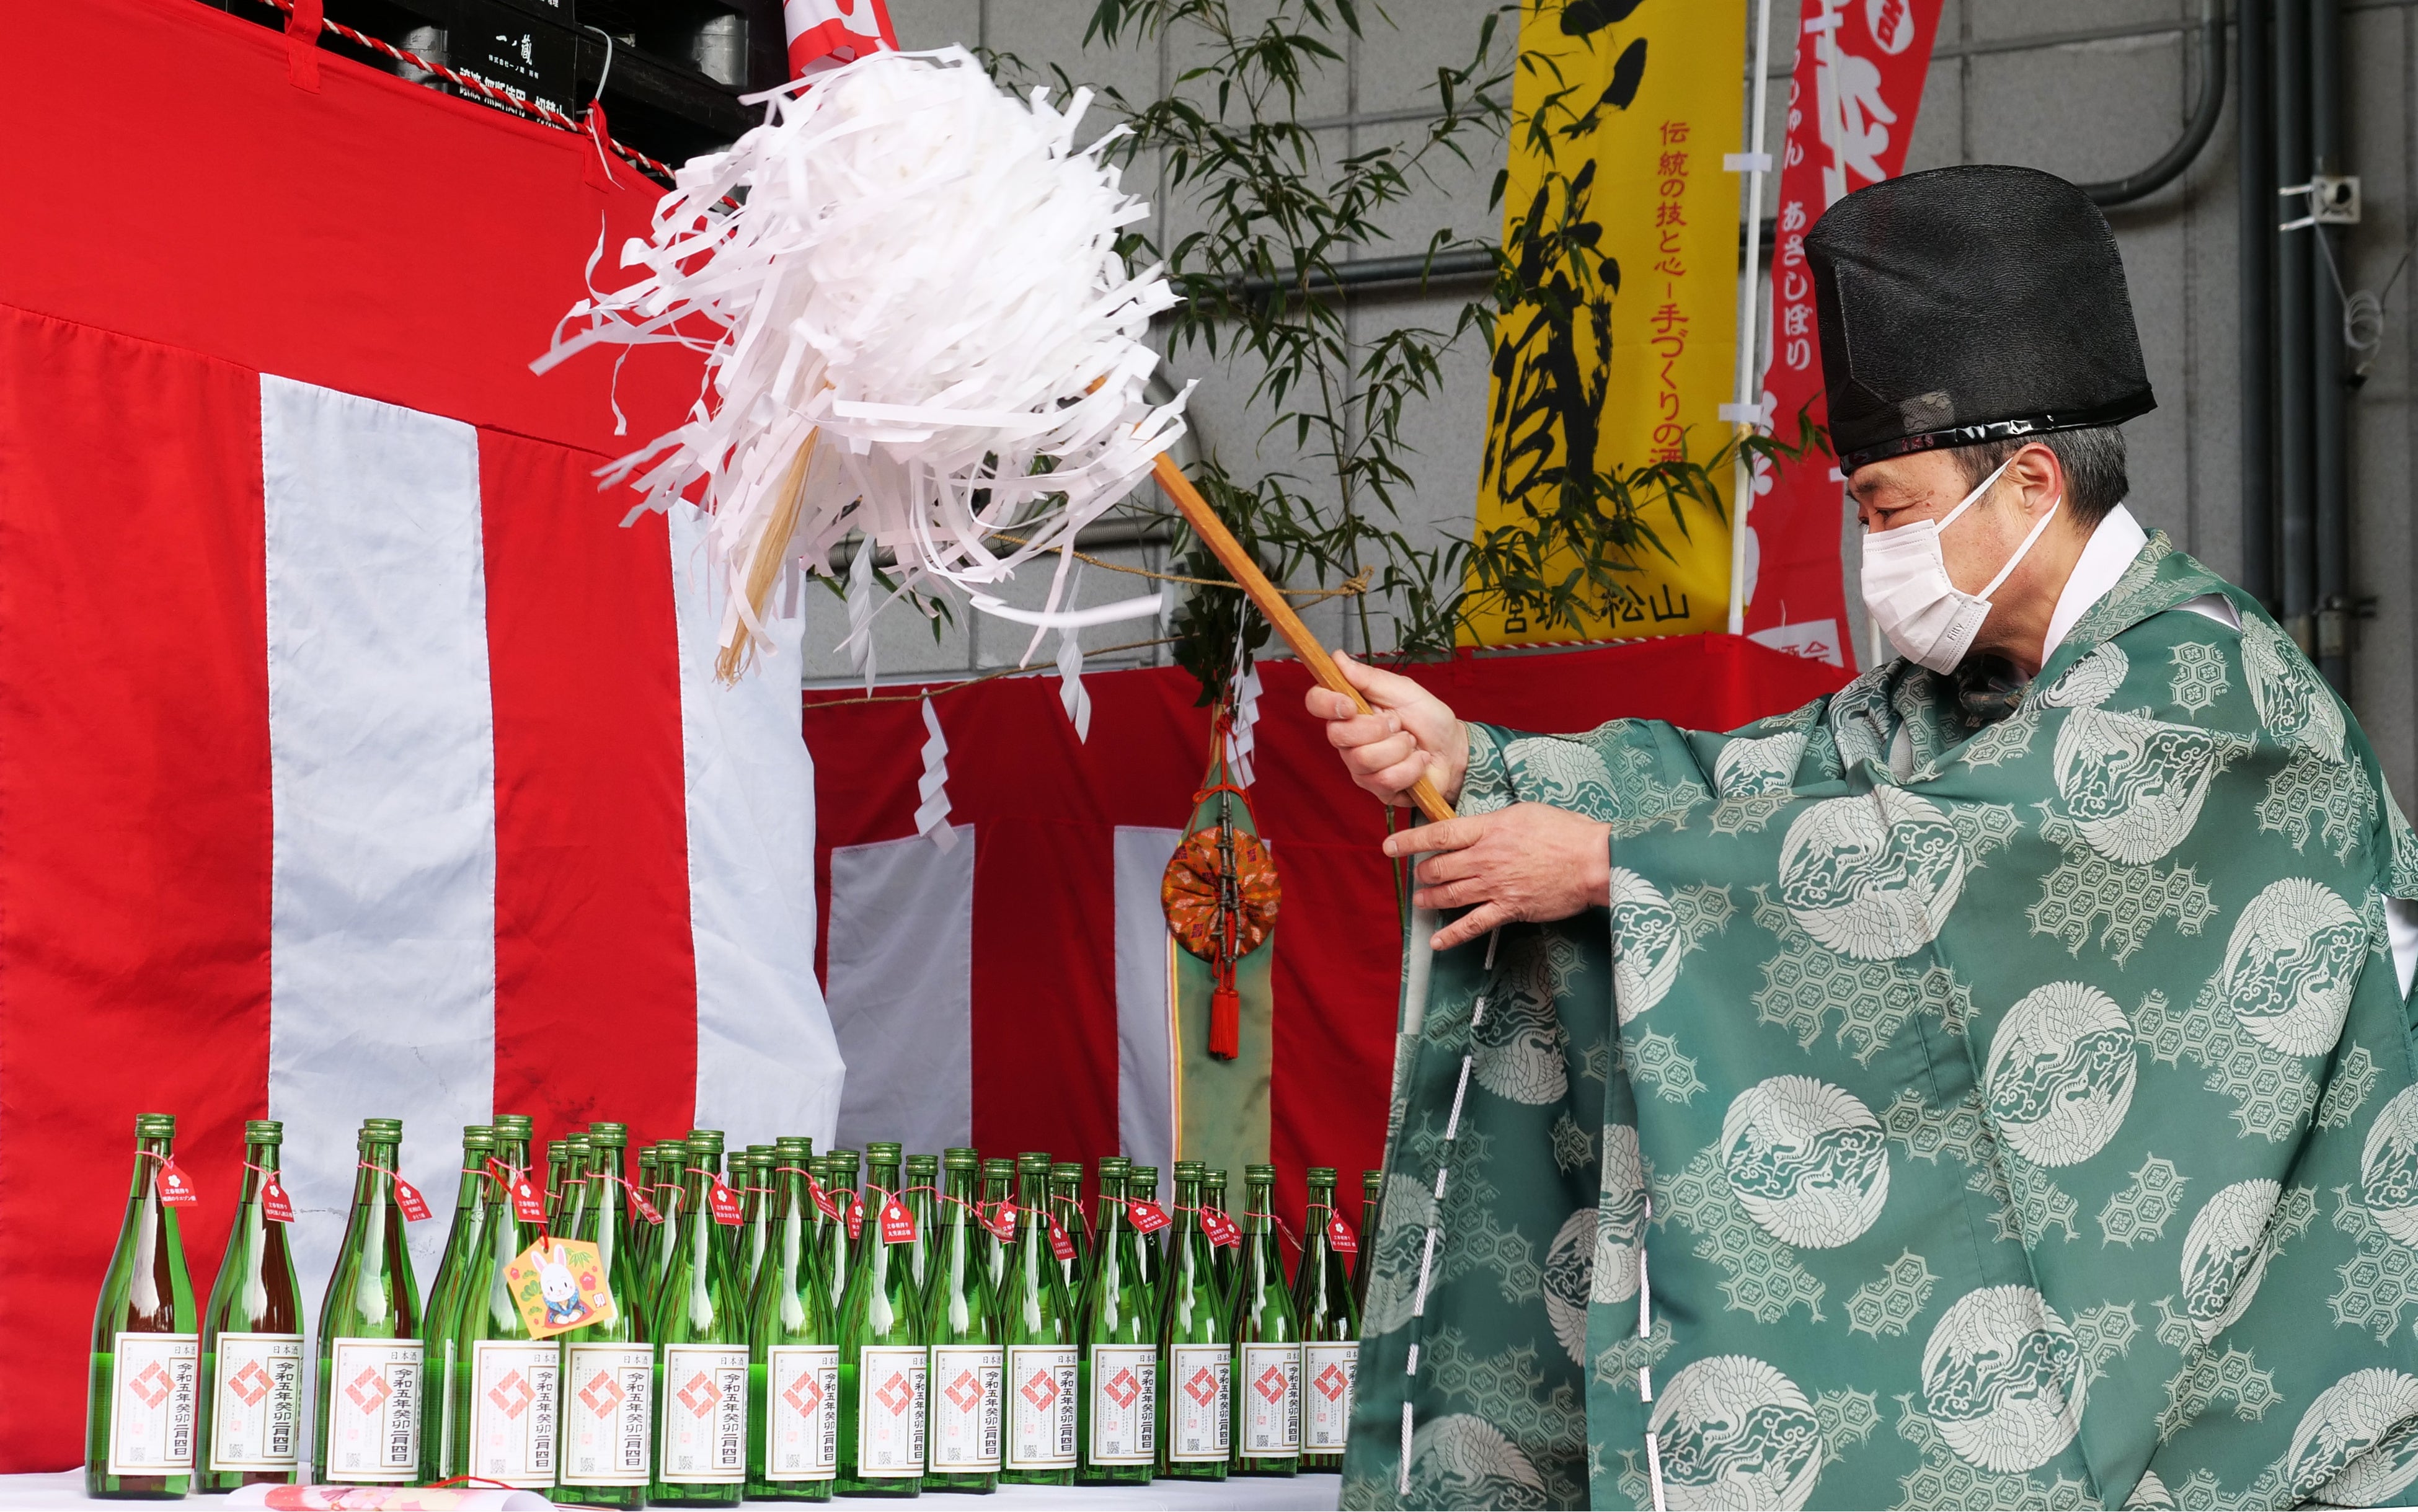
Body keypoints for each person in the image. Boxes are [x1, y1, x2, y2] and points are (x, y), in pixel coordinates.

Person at [1319, 165, 2418, 1511]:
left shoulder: (2215, 689)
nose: (1873, 550)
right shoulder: (1954, 696)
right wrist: (1475, 762)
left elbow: (1949, 856)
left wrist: (1614, 870)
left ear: (2027, 481)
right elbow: (1738, 785)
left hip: (2262, 1378)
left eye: (1888, 508)